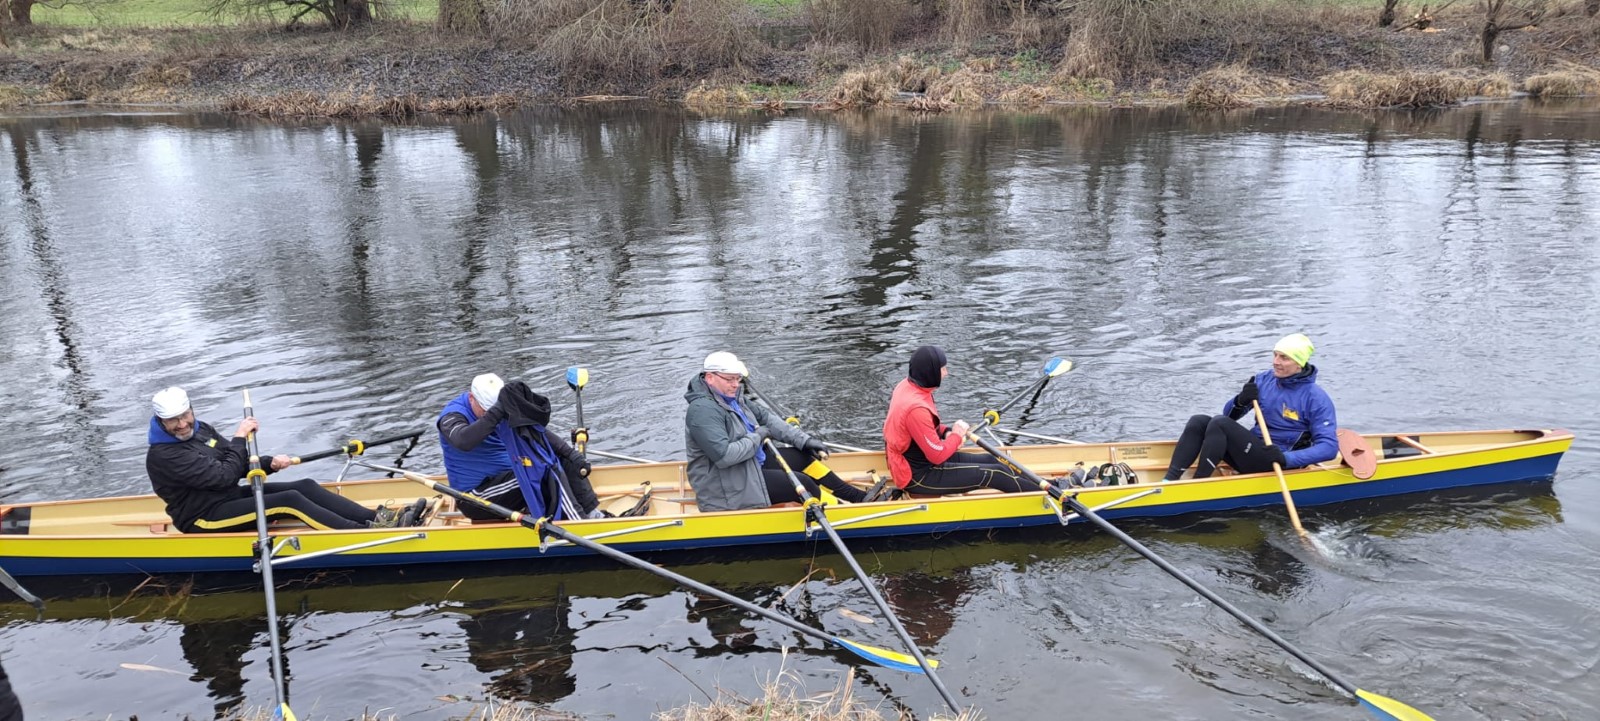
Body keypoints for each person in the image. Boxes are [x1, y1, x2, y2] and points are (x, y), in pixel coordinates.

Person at [146, 387, 419, 533]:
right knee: (289, 501)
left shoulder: (201, 429)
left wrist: (269, 464)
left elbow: (236, 461)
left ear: (191, 409)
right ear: (161, 421)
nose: (182, 425)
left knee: (304, 486)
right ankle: (364, 533)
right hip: (203, 518)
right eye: (173, 421)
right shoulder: (165, 455)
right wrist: (240, 436)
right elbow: (224, 476)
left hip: (228, 498)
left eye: (185, 415)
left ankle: (381, 518)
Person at [683, 352, 867, 512]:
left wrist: (804, 441)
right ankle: (845, 512)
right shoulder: (702, 411)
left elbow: (767, 419)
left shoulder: (730, 397)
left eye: (738, 379)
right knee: (803, 483)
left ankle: (858, 498)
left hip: (748, 464)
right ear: (710, 378)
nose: (736, 384)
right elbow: (724, 457)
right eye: (729, 379)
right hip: (725, 488)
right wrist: (758, 437)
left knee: (803, 457)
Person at [1161, 333, 1338, 482]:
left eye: (1284, 358)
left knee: (1220, 424)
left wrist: (1286, 458)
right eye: (1275, 355)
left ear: (1299, 363)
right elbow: (1229, 416)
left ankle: (1199, 483)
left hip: (1278, 462)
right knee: (1199, 421)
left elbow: (1329, 447)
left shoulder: (1316, 398)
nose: (1276, 362)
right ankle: (1169, 480)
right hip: (1253, 451)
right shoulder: (1264, 379)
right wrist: (1241, 400)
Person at [437, 373, 604, 521]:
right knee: (543, 472)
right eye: (486, 410)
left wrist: (571, 454)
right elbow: (463, 441)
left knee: (561, 458)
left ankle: (591, 513)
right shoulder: (452, 415)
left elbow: (536, 432)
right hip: (475, 498)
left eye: (492, 410)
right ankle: (579, 523)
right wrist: (496, 413)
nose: (489, 414)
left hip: (505, 480)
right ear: (471, 398)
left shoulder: (500, 406)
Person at [882, 346, 1035, 496]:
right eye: (943, 369)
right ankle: (1043, 495)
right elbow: (937, 455)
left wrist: (947, 432)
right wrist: (956, 436)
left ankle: (1041, 485)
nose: (946, 373)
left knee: (991, 459)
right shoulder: (916, 409)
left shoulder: (908, 386)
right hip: (917, 476)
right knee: (996, 473)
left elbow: (923, 428)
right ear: (931, 372)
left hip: (922, 460)